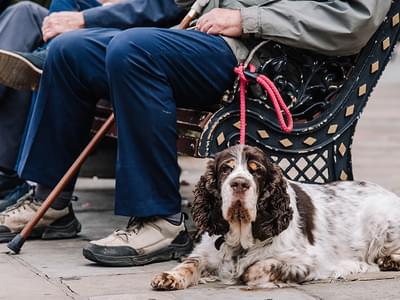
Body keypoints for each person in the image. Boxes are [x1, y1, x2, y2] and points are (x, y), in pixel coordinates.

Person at [0, 0, 391, 267]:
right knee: (70, 50)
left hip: (269, 60)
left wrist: (246, 19)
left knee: (134, 49)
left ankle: (160, 221)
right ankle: (50, 203)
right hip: (213, 41)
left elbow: (351, 20)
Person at [0, 0, 183, 212]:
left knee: (62, 54)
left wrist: (86, 18)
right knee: (29, 12)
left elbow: (167, 6)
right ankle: (7, 175)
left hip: (152, 35)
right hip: (124, 20)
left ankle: (49, 56)